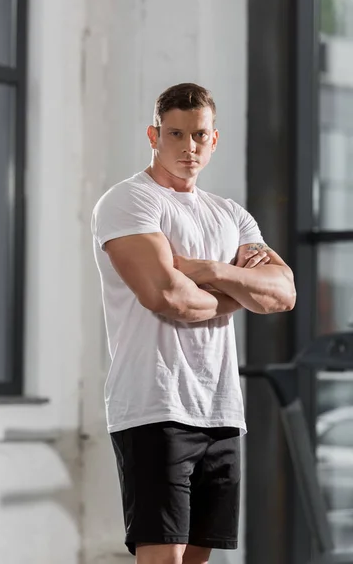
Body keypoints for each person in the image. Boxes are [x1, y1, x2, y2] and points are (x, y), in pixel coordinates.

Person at [91, 83, 296, 564]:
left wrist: (209, 271)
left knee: (199, 560)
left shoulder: (230, 215)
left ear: (214, 139)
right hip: (154, 404)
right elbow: (167, 298)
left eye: (199, 135)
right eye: (176, 134)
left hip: (221, 409)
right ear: (153, 135)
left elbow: (283, 293)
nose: (189, 147)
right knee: (163, 559)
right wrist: (242, 289)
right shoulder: (131, 202)